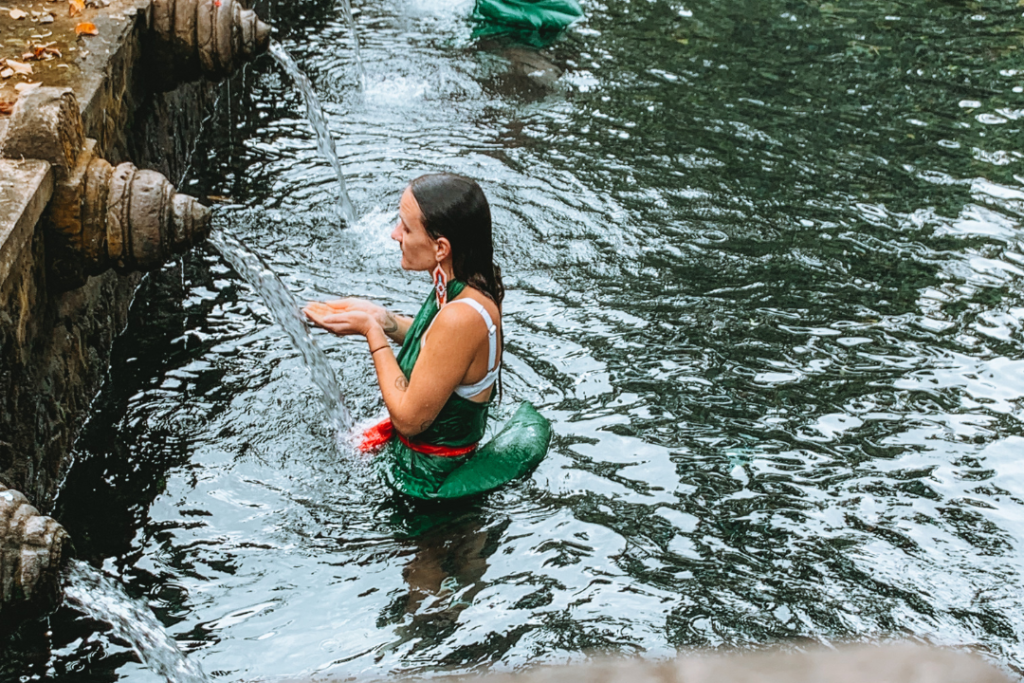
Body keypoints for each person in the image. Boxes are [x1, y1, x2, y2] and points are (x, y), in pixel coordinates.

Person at [305, 173, 549, 501]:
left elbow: (409, 419)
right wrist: (387, 320)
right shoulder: (465, 279)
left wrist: (371, 332)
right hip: (424, 461)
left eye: (406, 228)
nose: (394, 235)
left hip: (432, 482)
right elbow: (439, 347)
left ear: (441, 247)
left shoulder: (461, 316)